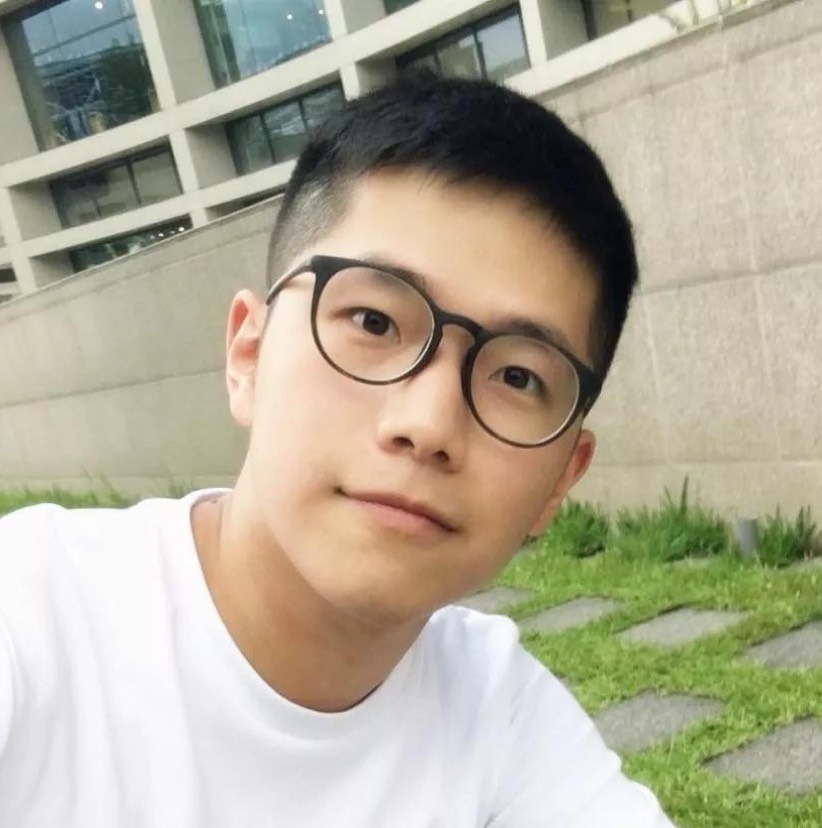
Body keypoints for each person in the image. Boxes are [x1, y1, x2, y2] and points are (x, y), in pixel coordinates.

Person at [0, 73, 676, 826]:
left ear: (559, 483)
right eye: (375, 322)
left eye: (518, 376)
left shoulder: (502, 713)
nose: (429, 424)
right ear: (249, 355)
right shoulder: (31, 618)